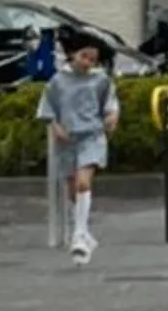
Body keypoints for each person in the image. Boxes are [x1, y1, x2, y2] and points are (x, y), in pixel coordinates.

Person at [39, 32, 120, 264]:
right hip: (67, 141)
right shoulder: (57, 81)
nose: (87, 63)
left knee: (84, 181)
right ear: (73, 54)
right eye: (84, 57)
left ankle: (79, 236)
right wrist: (55, 127)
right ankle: (84, 231)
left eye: (92, 60)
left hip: (92, 136)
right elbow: (48, 109)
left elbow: (111, 104)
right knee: (73, 188)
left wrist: (112, 116)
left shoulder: (101, 80)